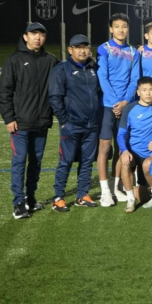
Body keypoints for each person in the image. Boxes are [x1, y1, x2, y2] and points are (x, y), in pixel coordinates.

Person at [0, 22, 59, 219]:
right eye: (33, 34)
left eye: (41, 34)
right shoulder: (14, 60)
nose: (37, 38)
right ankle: (18, 203)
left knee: (36, 162)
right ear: (25, 37)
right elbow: (4, 92)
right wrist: (9, 118)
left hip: (42, 123)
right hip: (20, 123)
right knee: (19, 161)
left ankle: (30, 199)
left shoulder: (51, 60)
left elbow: (64, 80)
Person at [48, 34, 103, 212]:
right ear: (70, 50)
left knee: (87, 161)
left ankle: (82, 195)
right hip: (72, 124)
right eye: (78, 47)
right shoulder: (61, 69)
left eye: (85, 47)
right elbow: (55, 97)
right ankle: (58, 197)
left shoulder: (94, 67)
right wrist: (64, 121)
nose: (82, 51)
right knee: (66, 161)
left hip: (92, 125)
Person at [96, 13, 135, 206]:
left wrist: (125, 102)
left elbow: (134, 79)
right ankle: (105, 192)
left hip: (125, 106)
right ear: (111, 29)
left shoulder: (133, 51)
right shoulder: (104, 49)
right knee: (105, 147)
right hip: (108, 106)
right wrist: (115, 103)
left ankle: (115, 187)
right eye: (117, 26)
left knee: (121, 147)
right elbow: (102, 77)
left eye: (124, 26)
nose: (121, 29)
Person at [117, 76, 152, 213]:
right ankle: (130, 199)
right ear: (138, 92)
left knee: (147, 166)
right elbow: (121, 135)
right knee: (124, 161)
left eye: (151, 89)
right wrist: (125, 151)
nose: (148, 93)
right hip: (134, 152)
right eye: (144, 90)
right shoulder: (129, 109)